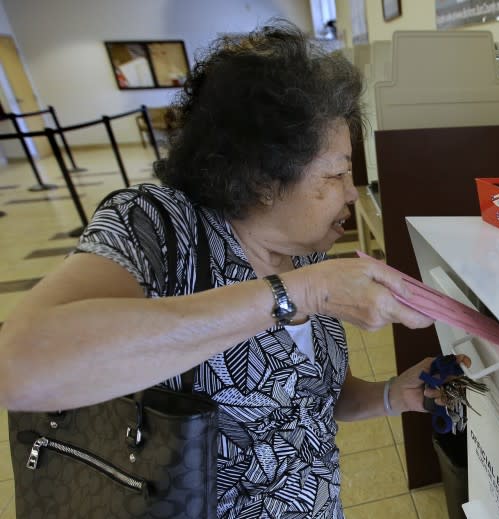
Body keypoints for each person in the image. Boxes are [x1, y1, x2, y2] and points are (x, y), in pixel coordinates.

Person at [0, 21, 468, 518]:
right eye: (335, 175)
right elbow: (19, 364)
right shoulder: (158, 228)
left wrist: (394, 395)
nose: (352, 193)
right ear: (261, 177)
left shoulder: (305, 248)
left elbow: (315, 401)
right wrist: (295, 295)